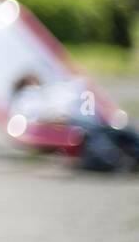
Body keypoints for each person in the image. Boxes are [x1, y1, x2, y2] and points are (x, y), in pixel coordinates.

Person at [10, 72, 139, 172]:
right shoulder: (26, 97)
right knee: (101, 132)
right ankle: (117, 160)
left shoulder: (46, 92)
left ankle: (120, 159)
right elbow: (31, 118)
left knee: (105, 131)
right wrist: (53, 119)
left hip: (71, 119)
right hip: (65, 122)